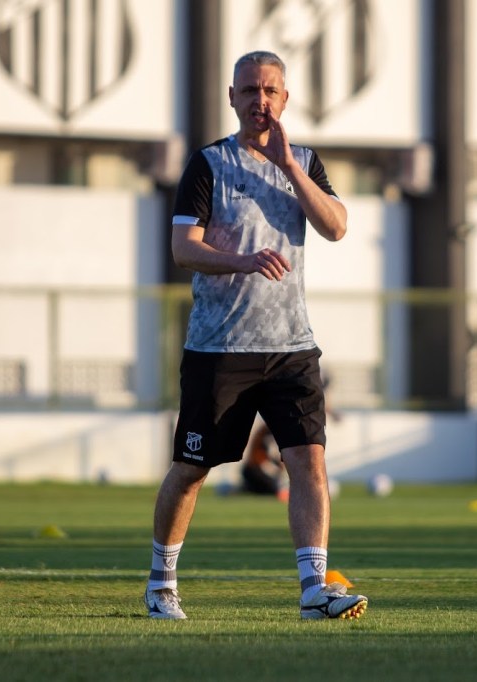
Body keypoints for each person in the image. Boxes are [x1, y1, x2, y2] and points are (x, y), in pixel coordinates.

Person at [144, 50, 368, 621]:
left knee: (309, 461)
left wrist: (289, 166)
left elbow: (337, 227)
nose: (259, 101)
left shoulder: (305, 162)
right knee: (191, 470)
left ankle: (314, 589)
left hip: (292, 346)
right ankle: (161, 583)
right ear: (232, 97)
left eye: (270, 91)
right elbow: (182, 248)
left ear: (285, 99)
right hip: (219, 348)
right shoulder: (208, 164)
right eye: (249, 91)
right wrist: (242, 261)